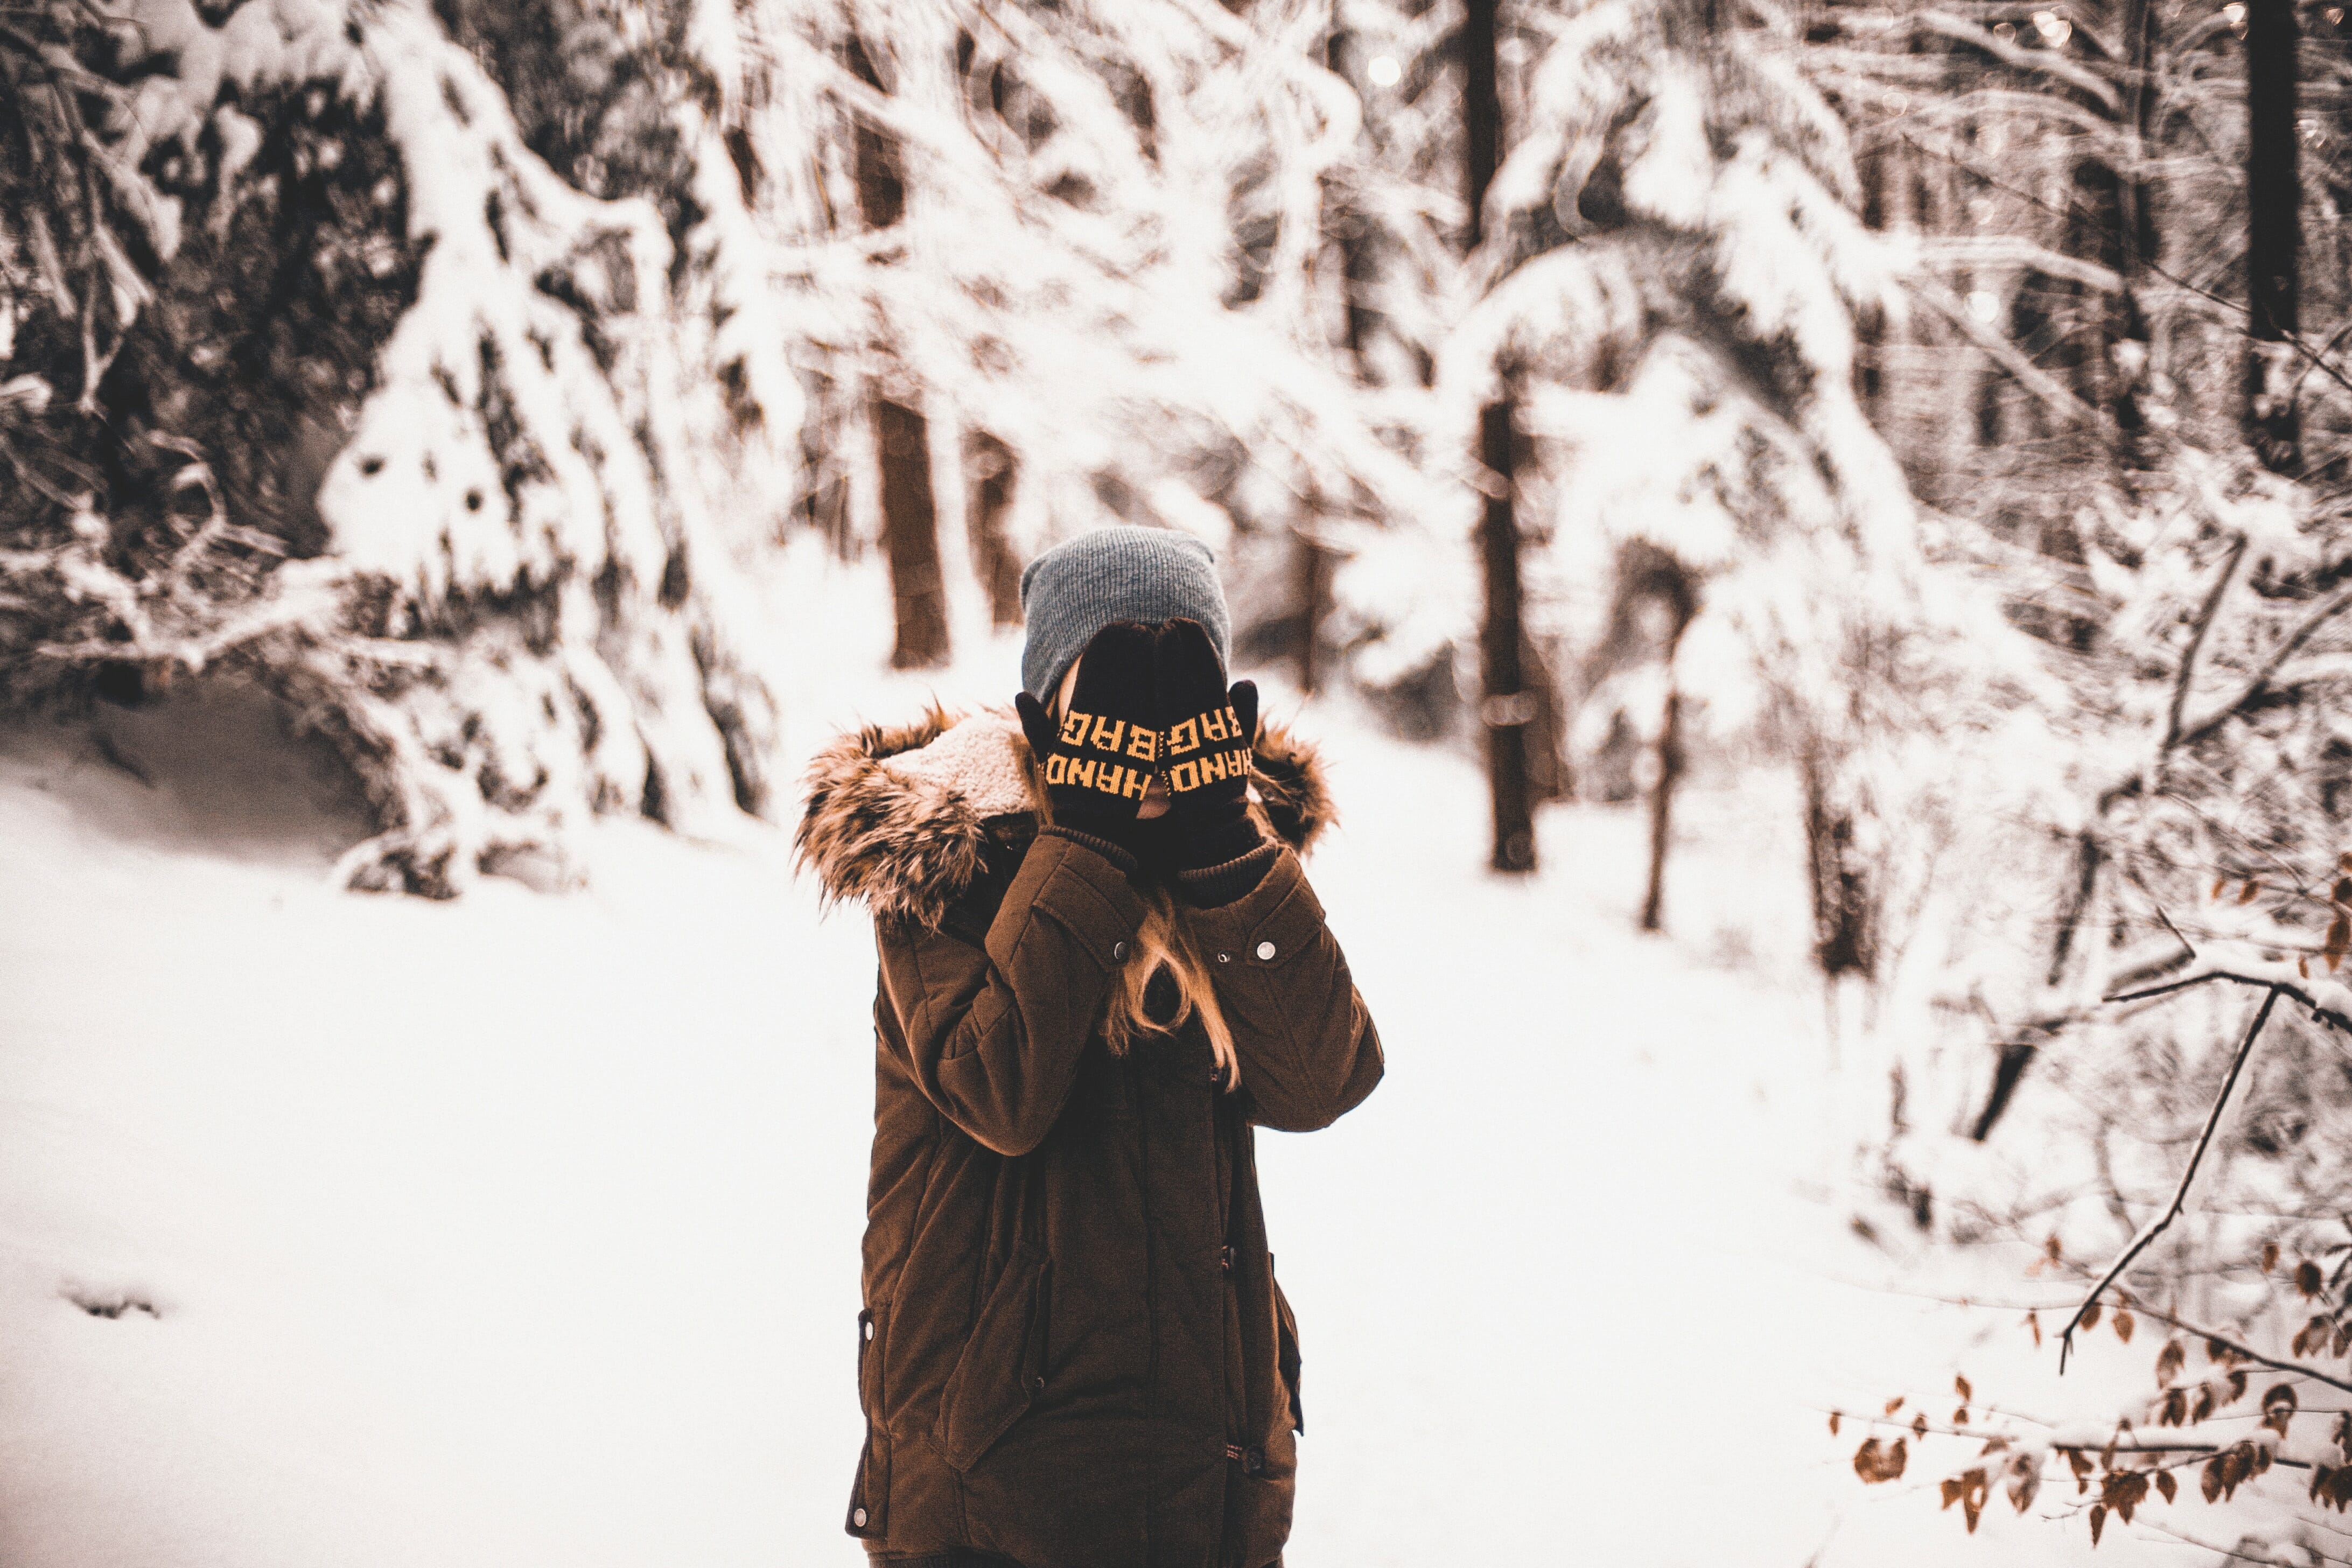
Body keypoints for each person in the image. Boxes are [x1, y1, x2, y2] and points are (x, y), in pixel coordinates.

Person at [796, 524, 1384, 1568]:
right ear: (1047, 710)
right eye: (1110, 701)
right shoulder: (948, 855)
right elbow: (1000, 1091)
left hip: (1206, 1465)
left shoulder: (1221, 861)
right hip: (993, 1479)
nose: (1149, 734)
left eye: (1176, 698)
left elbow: (1321, 1079)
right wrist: (1092, 833)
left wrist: (1221, 841)